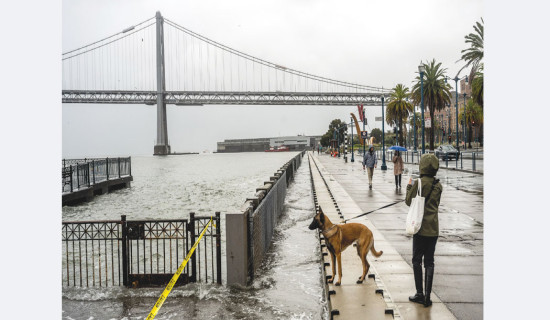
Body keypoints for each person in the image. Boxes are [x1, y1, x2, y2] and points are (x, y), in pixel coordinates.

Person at [405, 154, 442, 308]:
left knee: (416, 260)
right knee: (429, 262)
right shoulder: (438, 185)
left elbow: (408, 201)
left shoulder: (418, 183)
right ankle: (427, 297)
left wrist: (409, 187)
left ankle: (419, 293)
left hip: (419, 228)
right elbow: (436, 204)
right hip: (433, 228)